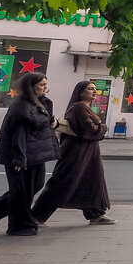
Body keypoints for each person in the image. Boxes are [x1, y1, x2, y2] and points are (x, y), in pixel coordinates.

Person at [0, 72, 60, 236]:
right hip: (21, 155)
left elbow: (45, 123)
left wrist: (55, 123)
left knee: (34, 185)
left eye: (46, 83)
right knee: (21, 190)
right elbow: (19, 135)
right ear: (31, 87)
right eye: (42, 85)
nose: (46, 87)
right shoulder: (22, 107)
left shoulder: (40, 102)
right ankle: (20, 225)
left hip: (35, 153)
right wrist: (19, 159)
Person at [31, 81, 115, 226]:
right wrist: (104, 127)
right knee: (63, 182)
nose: (95, 91)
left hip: (87, 152)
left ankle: (95, 213)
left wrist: (98, 127)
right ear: (81, 92)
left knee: (91, 180)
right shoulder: (79, 107)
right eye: (90, 89)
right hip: (77, 152)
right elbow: (90, 130)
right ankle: (36, 216)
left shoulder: (84, 107)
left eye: (95, 89)